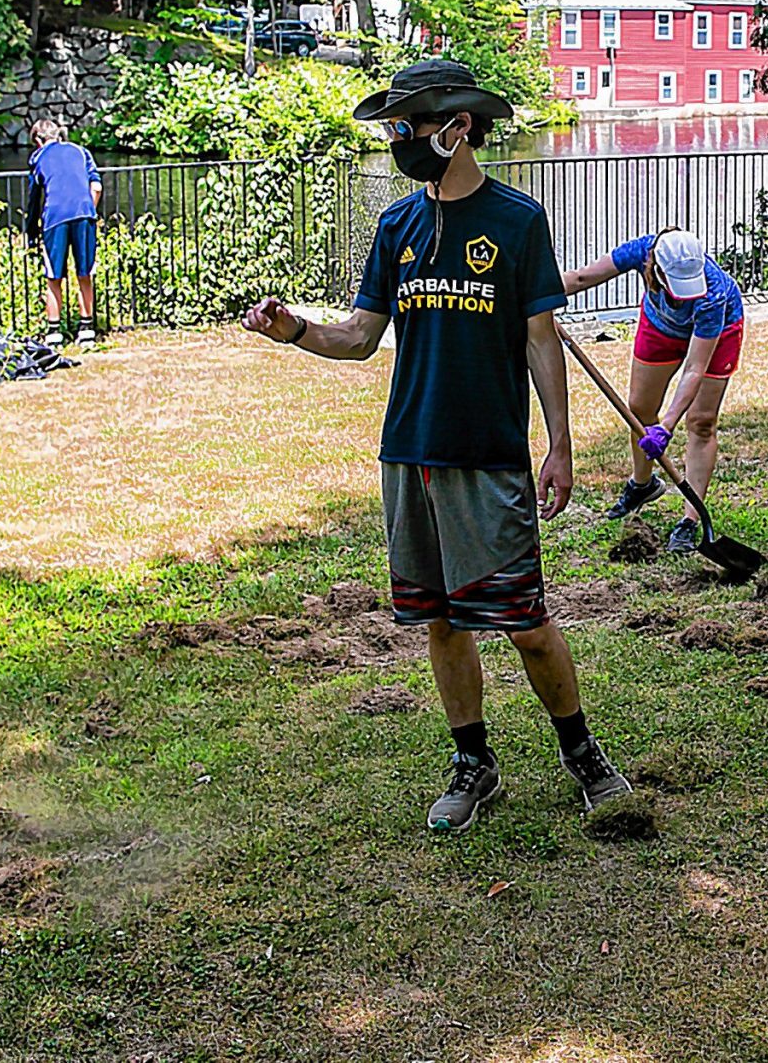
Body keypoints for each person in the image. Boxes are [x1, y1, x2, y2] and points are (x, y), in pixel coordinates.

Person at [241, 59, 630, 832]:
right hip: (410, 455)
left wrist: (559, 444)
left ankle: (583, 752)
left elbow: (540, 340)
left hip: (489, 457)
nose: (399, 139)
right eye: (395, 126)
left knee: (523, 620)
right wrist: (293, 330)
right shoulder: (396, 228)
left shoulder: (519, 222)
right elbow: (358, 336)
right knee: (442, 621)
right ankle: (473, 762)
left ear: (458, 128)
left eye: (410, 125)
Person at [560, 228, 746, 552]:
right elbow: (579, 279)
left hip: (719, 331)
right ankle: (642, 485)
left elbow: (694, 369)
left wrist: (668, 426)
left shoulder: (713, 293)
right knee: (639, 408)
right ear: (656, 269)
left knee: (701, 422)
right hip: (661, 326)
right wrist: (536, 296)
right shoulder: (643, 251)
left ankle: (690, 521)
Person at [25, 118, 103, 345]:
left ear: (39, 140)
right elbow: (96, 186)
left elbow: (34, 199)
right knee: (85, 273)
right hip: (84, 214)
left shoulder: (39, 158)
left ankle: (54, 332)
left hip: (55, 217)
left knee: (54, 277)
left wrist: (31, 234)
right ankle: (87, 329)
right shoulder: (81, 151)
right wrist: (88, 208)